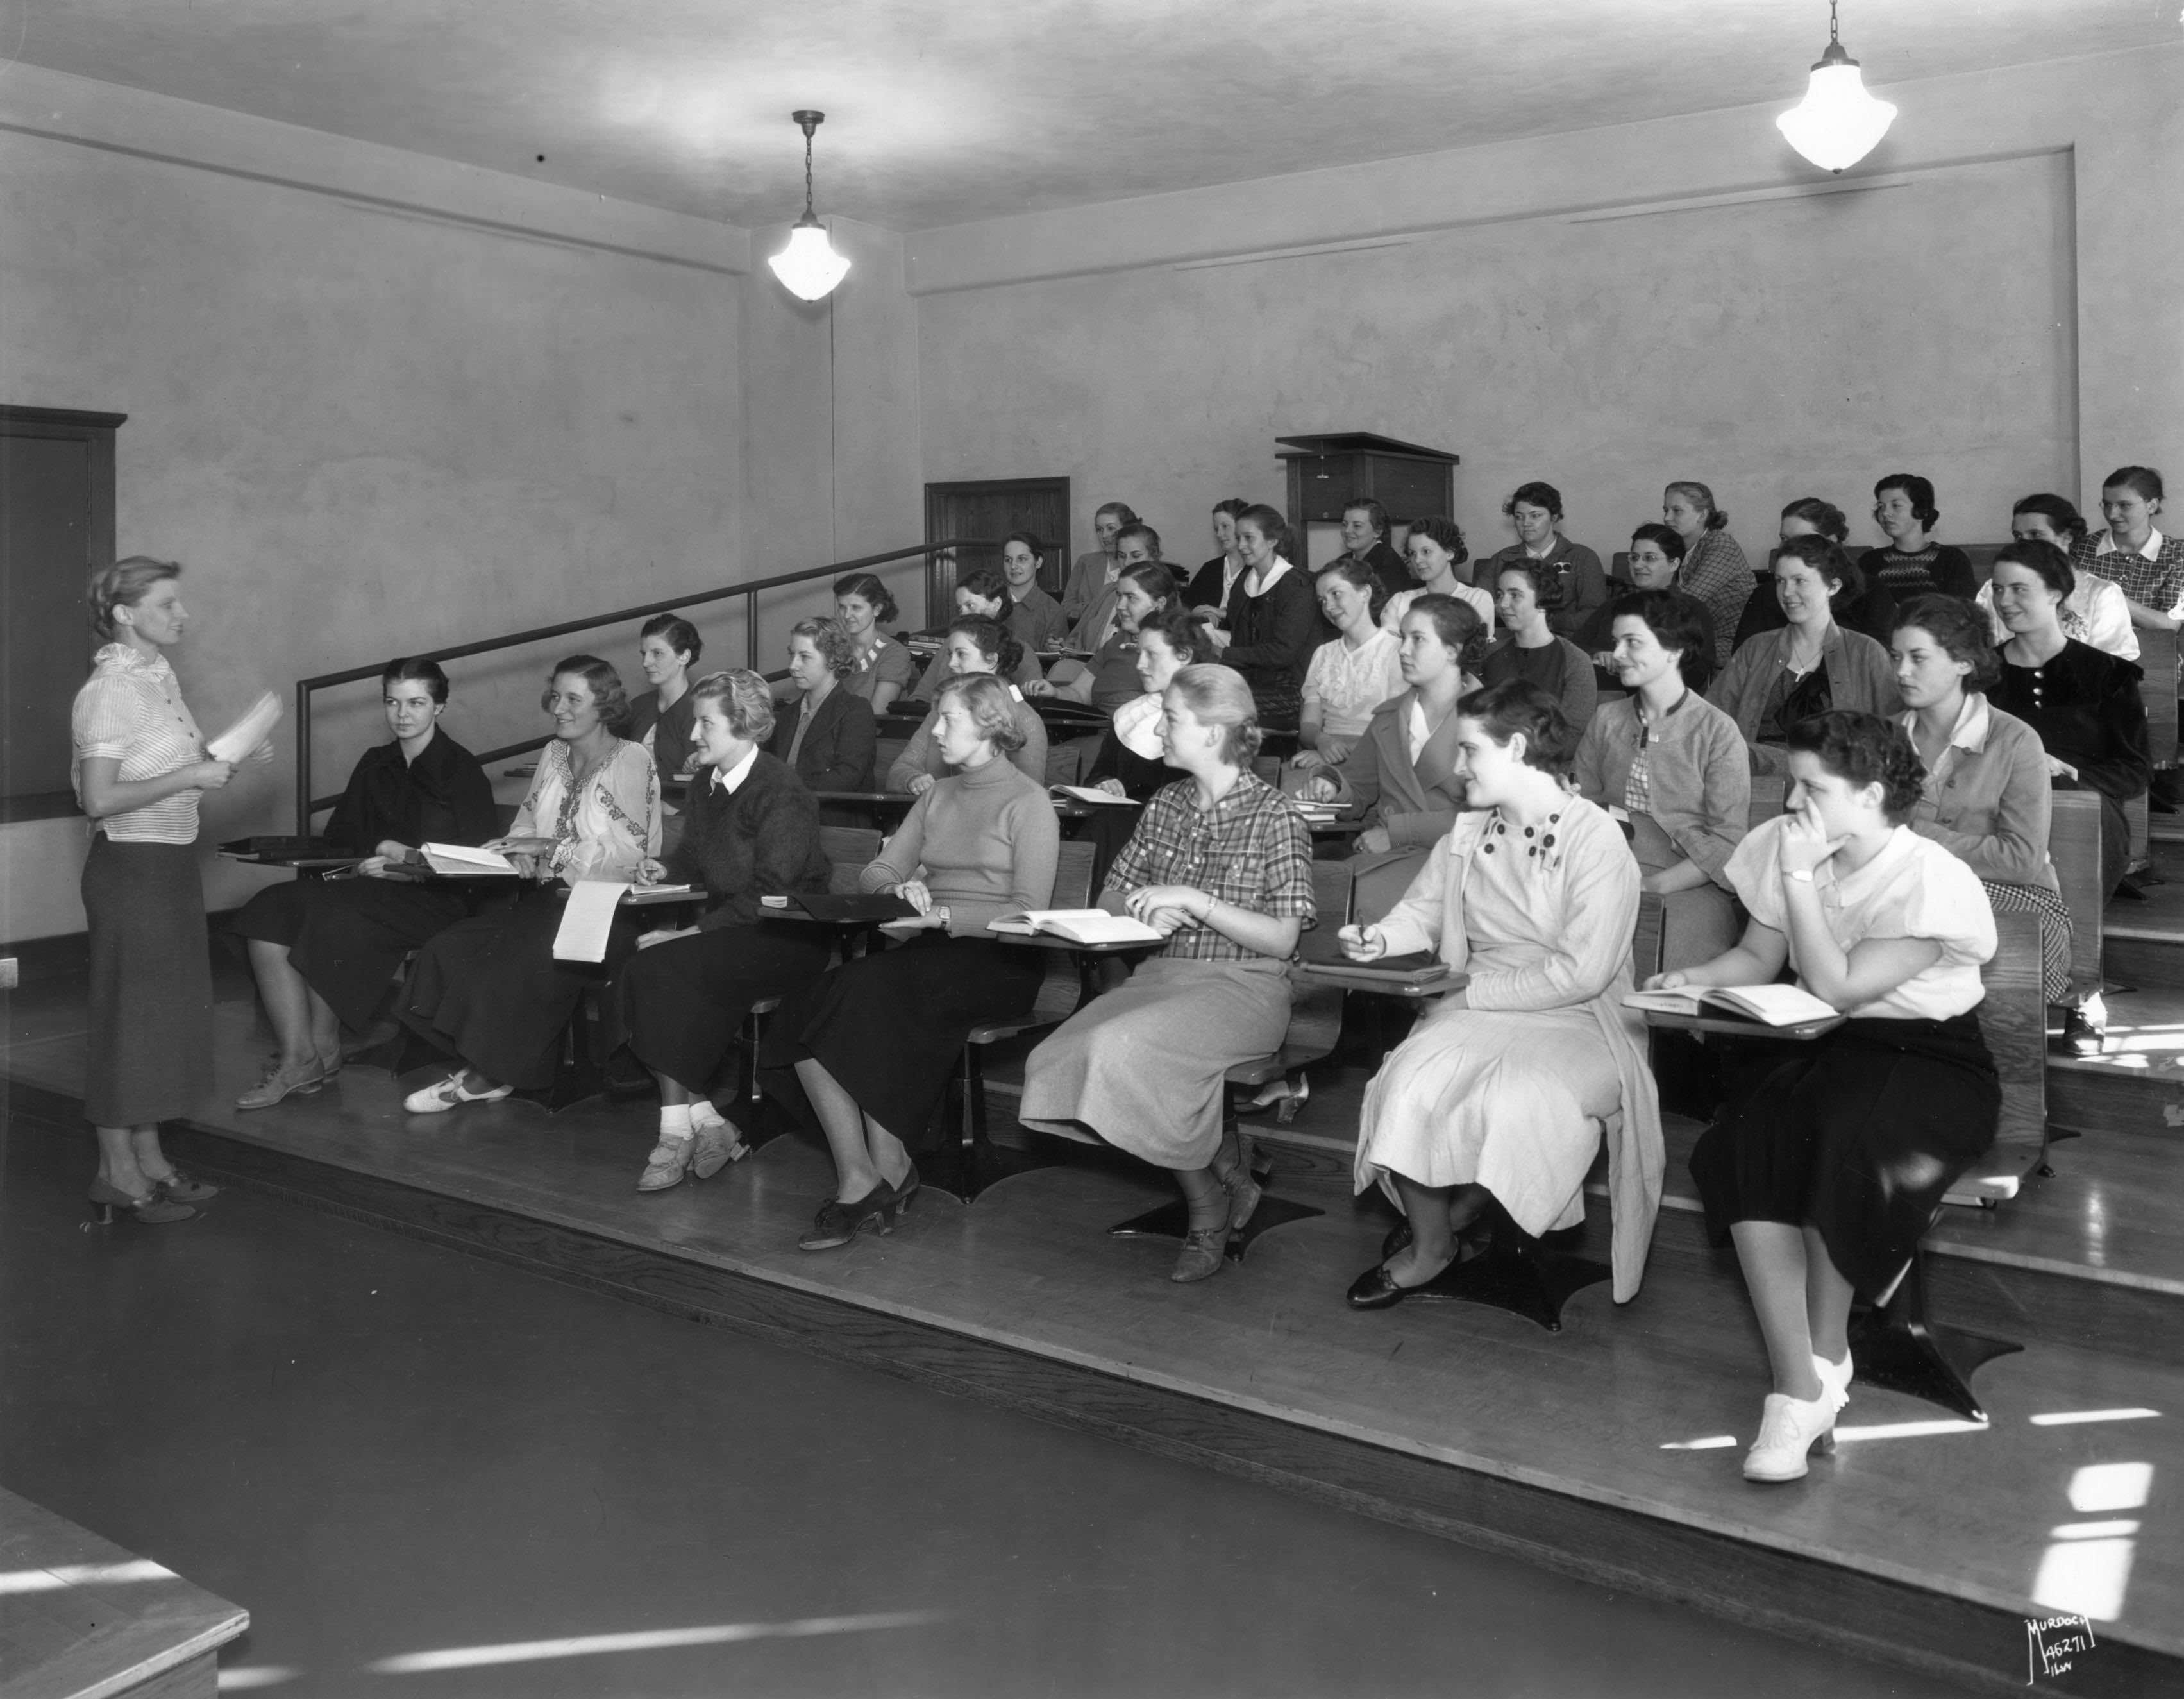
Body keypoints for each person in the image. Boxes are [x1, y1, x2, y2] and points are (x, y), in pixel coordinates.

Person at [1665, 712, 1999, 1484]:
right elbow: (1759, 955)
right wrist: (1694, 981)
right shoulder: (1788, 847)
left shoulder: (1929, 878)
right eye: (1792, 783)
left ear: (1871, 795)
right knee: (1741, 1143)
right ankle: (1802, 1385)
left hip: (1930, 1063)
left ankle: (1813, 1366)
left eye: (1812, 788)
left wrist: (1798, 877)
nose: (1792, 802)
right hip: (1819, 1044)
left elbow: (1836, 983)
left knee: (1845, 1145)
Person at [1341, 680, 1661, 1310]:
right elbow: (1422, 912)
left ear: (1516, 747)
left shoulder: (1594, 839)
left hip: (1580, 1017)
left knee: (1516, 1102)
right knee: (1405, 1081)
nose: (1457, 770)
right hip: (1481, 1003)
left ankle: (1479, 1210)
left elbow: (1583, 974)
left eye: (1468, 752)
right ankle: (1434, 1243)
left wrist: (1469, 997)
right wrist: (1379, 938)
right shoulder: (1467, 833)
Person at [1020, 665, 1315, 1282]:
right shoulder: (1166, 803)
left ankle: (1206, 1204)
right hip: (1167, 977)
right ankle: (1229, 1172)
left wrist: (1198, 900)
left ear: (1213, 731)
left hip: (1248, 987)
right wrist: (1146, 901)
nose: (1160, 727)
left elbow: (1284, 936)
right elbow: (1110, 895)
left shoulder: (1274, 814)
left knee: (1120, 1048)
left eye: (1173, 717)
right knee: (1058, 1055)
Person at [762, 674, 1059, 1251]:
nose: (935, 731)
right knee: (809, 1002)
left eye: (948, 719)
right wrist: (903, 892)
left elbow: (1029, 913)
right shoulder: (939, 795)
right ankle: (861, 1174)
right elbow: (878, 871)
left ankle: (889, 1165)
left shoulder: (1029, 802)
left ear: (990, 726)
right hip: (928, 952)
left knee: (870, 990)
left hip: (1000, 959)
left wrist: (946, 916)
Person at [72, 558, 265, 1224]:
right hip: (131, 870)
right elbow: (98, 798)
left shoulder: (156, 679)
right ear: (126, 615)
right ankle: (114, 1171)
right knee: (130, 1020)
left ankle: (150, 1158)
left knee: (161, 1019)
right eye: (167, 605)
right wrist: (193, 778)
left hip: (170, 864)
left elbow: (162, 766)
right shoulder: (109, 691)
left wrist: (218, 763)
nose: (183, 616)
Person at [230, 657, 498, 1109]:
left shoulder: (461, 769)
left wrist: (401, 864)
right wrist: (368, 860)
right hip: (367, 887)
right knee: (269, 909)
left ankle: (321, 1049)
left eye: (416, 702)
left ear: (440, 707)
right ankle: (302, 1054)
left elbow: (473, 862)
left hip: (435, 899)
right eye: (393, 702)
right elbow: (342, 837)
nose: (402, 713)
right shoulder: (377, 763)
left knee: (332, 915)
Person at [398, 655, 660, 1111]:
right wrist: (520, 848)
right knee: (452, 947)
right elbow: (527, 820)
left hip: (608, 909)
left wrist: (551, 849)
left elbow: (629, 855)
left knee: (522, 958)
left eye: (573, 698)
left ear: (605, 706)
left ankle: (486, 1076)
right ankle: (488, 1063)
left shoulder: (631, 759)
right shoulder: (553, 753)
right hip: (547, 900)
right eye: (555, 695)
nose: (558, 707)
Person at [617, 670, 834, 1192]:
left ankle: (676, 1133)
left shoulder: (783, 791)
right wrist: (663, 871)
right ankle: (703, 1121)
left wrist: (689, 933)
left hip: (787, 937)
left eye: (705, 723)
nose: (694, 735)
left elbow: (770, 892)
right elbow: (693, 856)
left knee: (663, 964)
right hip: (732, 928)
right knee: (648, 963)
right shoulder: (707, 784)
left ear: (745, 726)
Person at [1890, 595, 2072, 1008]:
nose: (1901, 671)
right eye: (1896, 656)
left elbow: (2021, 860)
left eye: (1918, 658)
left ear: (1965, 663)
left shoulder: (2015, 739)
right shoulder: (1883, 737)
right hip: (1910, 895)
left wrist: (1916, 836)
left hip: (2013, 900)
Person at [1302, 596, 1488, 919]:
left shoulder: (1492, 720)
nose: (1403, 650)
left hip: (1459, 860)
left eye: (1418, 640)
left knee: (1349, 914)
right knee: (1312, 900)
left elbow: (1487, 818)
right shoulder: (1389, 717)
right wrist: (1332, 786)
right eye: (1403, 638)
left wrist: (1396, 833)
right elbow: (1359, 790)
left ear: (1453, 650)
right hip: (1384, 856)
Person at [1987, 541, 2150, 902]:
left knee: (2065, 799)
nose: (2004, 601)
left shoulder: (2108, 674)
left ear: (2055, 594)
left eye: (2019, 590)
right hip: (1999, 808)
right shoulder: (1982, 674)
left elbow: (2135, 769)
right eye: (1998, 589)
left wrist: (2068, 775)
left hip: (2084, 810)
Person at [1574, 591, 1749, 902]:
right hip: (1605, 864)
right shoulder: (1607, 718)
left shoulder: (1717, 731)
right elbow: (1584, 804)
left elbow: (1727, 841)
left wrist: (1651, 887)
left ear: (1674, 650)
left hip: (1689, 878)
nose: (1617, 653)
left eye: (1633, 642)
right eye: (1616, 642)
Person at [1709, 536, 1899, 775]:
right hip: (1756, 783)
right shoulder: (1756, 649)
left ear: (1833, 586)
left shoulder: (1866, 653)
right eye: (1780, 581)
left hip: (1835, 784)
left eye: (1800, 581)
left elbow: (1893, 736)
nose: (1787, 592)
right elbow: (1712, 720)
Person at [888, 616, 1050, 791]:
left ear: (991, 660)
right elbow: (900, 769)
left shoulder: (1024, 719)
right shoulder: (942, 710)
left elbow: (1028, 794)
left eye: (961, 654)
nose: (951, 664)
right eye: (950, 655)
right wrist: (914, 780)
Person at [1200, 504, 1320, 731]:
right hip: (1250, 683)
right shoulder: (1242, 584)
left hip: (1290, 689)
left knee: (1214, 709)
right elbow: (1239, 639)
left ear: (1272, 541)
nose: (1241, 546)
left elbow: (1283, 653)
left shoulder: (1298, 585)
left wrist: (1223, 653)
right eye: (1239, 538)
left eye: (1249, 538)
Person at [1974, 494, 2135, 659]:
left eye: (2036, 535)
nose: (2025, 544)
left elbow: (2116, 662)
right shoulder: (1994, 589)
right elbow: (1981, 651)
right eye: (2018, 536)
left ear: (2067, 537)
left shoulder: (2102, 593)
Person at [1291, 557, 1403, 783]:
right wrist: (1322, 741)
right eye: (1322, 600)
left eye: (1336, 594)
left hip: (1377, 757)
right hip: (1325, 751)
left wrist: (1335, 753)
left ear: (1365, 593)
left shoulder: (1395, 650)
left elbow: (1396, 729)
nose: (1329, 607)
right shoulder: (1323, 654)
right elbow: (1309, 725)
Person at [1574, 525, 1717, 694]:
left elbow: (1697, 669)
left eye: (1650, 558)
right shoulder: (1614, 605)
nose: (1638, 565)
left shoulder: (1691, 610)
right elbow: (1575, 647)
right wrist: (1597, 655)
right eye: (1634, 557)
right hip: (1599, 695)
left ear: (1674, 564)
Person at [1735, 500, 1896, 651]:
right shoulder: (1767, 594)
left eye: (1803, 539)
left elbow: (1880, 655)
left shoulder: (1871, 591)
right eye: (1784, 539)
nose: (1790, 547)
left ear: (1831, 541)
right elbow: (1744, 657)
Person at [1030, 559, 1177, 711]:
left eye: (1131, 598)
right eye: (1119, 596)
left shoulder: (1175, 649)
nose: (1119, 605)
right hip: (1097, 726)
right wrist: (1055, 693)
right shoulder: (1117, 642)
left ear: (1160, 603)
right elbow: (1080, 693)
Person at [1481, 559, 1599, 730]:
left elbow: (1573, 733)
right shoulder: (1490, 653)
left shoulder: (1576, 660)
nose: (1502, 605)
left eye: (1515, 595)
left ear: (1543, 600)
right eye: (1500, 595)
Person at [1483, 481, 1606, 641]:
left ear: (1554, 517)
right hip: (1512, 641)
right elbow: (1482, 606)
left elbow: (1594, 613)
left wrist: (1541, 620)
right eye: (1519, 517)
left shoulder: (1582, 557)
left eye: (1535, 516)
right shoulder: (1501, 559)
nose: (1526, 523)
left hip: (1567, 643)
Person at [766, 617, 877, 793]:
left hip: (830, 815)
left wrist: (785, 791)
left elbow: (847, 777)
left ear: (833, 660)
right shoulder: (787, 715)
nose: (793, 666)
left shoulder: (855, 711)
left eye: (804, 657)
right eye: (792, 655)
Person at [2072, 466, 2184, 632]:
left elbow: (2171, 624)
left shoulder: (2177, 555)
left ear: (2152, 506)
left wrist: (2109, 596)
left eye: (2124, 505)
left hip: (2153, 654)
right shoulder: (2083, 548)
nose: (2112, 514)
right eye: (2107, 505)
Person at [909, 571, 1046, 697]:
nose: (963, 614)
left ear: (996, 604)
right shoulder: (950, 644)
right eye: (960, 608)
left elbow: (1028, 701)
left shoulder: (1019, 650)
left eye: (970, 606)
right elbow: (922, 695)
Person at [1663, 480, 1752, 671]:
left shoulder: (1720, 544)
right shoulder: (1680, 549)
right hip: (1697, 637)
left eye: (1677, 511)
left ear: (1702, 515)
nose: (1667, 518)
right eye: (1666, 510)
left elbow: (1688, 600)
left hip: (1732, 643)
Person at [1860, 474, 1976, 602]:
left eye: (1896, 506)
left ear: (1922, 511)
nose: (1885, 513)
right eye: (1881, 506)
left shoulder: (1952, 560)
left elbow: (1963, 612)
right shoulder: (1869, 562)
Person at [1382, 515, 1491, 636]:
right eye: (1413, 553)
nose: (1417, 560)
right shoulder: (1400, 602)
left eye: (1426, 552)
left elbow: (1476, 650)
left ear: (1450, 553)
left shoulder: (1476, 599)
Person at [627, 614, 704, 785]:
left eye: (657, 653)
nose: (646, 662)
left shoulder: (701, 709)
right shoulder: (638, 706)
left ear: (684, 657)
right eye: (644, 654)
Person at [1069, 520, 1165, 652]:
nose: (1127, 562)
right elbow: (1077, 639)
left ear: (1154, 557)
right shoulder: (1108, 591)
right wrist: (1062, 647)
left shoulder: (1162, 597)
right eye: (1121, 556)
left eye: (1136, 556)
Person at [831, 572, 916, 714]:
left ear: (877, 609)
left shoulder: (895, 653)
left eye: (856, 608)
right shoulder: (833, 648)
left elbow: (876, 714)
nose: (846, 615)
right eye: (842, 607)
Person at [1062, 501, 1138, 629]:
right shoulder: (1086, 562)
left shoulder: (1137, 564)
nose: (1104, 536)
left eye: (1111, 528)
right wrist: (1097, 609)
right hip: (1086, 637)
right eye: (1099, 530)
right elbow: (1066, 607)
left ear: (1127, 530)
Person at [998, 531, 1069, 657]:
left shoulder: (1053, 611)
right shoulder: (989, 601)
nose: (1013, 566)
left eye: (1022, 559)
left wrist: (1053, 649)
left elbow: (1057, 664)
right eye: (1008, 560)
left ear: (1038, 562)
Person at [1334, 496, 1411, 601]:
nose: (1347, 530)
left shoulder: (1390, 565)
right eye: (1344, 524)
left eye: (1357, 526)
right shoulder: (1342, 561)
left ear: (1378, 531)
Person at [1186, 498, 1252, 618]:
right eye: (1216, 529)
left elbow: (1261, 618)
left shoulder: (1258, 570)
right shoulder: (1210, 569)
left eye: (1225, 526)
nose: (1219, 534)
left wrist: (1221, 613)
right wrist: (1201, 613)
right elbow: (1187, 607)